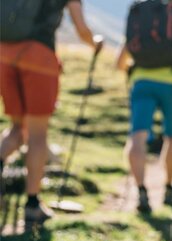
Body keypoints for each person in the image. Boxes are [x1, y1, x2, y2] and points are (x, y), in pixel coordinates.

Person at [0, 0, 104, 226]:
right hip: (39, 56)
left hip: (4, 55)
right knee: (37, 133)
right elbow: (82, 29)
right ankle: (32, 205)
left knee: (17, 128)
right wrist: (95, 43)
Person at [116, 0, 172, 213]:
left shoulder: (138, 24)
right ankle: (168, 186)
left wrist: (135, 70)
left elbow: (119, 61)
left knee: (137, 136)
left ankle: (141, 190)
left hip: (141, 84)